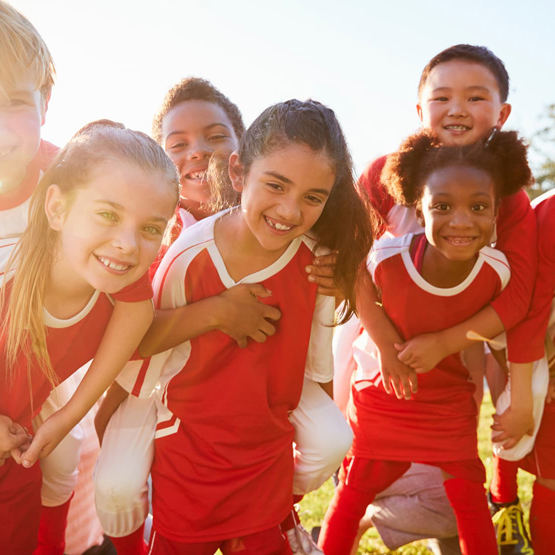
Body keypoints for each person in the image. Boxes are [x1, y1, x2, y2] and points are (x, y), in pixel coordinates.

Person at [93, 82, 355, 555]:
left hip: (262, 390)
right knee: (116, 482)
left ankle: (279, 512)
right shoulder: (167, 236)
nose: (198, 153)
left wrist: (341, 275)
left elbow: (315, 365)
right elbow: (138, 345)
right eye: (178, 144)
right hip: (163, 382)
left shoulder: (309, 250)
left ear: (234, 151)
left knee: (333, 439)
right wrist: (217, 312)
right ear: (240, 173)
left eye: (214, 137)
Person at [340, 44, 537, 553]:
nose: (457, 109)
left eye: (476, 98)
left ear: (502, 113)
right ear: (420, 108)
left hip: (467, 344)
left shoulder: (510, 195)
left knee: (458, 453)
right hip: (386, 339)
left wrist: (447, 342)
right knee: (367, 451)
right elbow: (351, 264)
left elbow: (516, 300)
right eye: (442, 96)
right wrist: (385, 342)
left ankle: (483, 512)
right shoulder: (383, 174)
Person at [0, 120, 179, 554]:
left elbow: (138, 317)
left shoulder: (121, 298)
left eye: (151, 228)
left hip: (13, 461)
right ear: (57, 208)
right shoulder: (7, 278)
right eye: (107, 214)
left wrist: (65, 418)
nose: (127, 243)